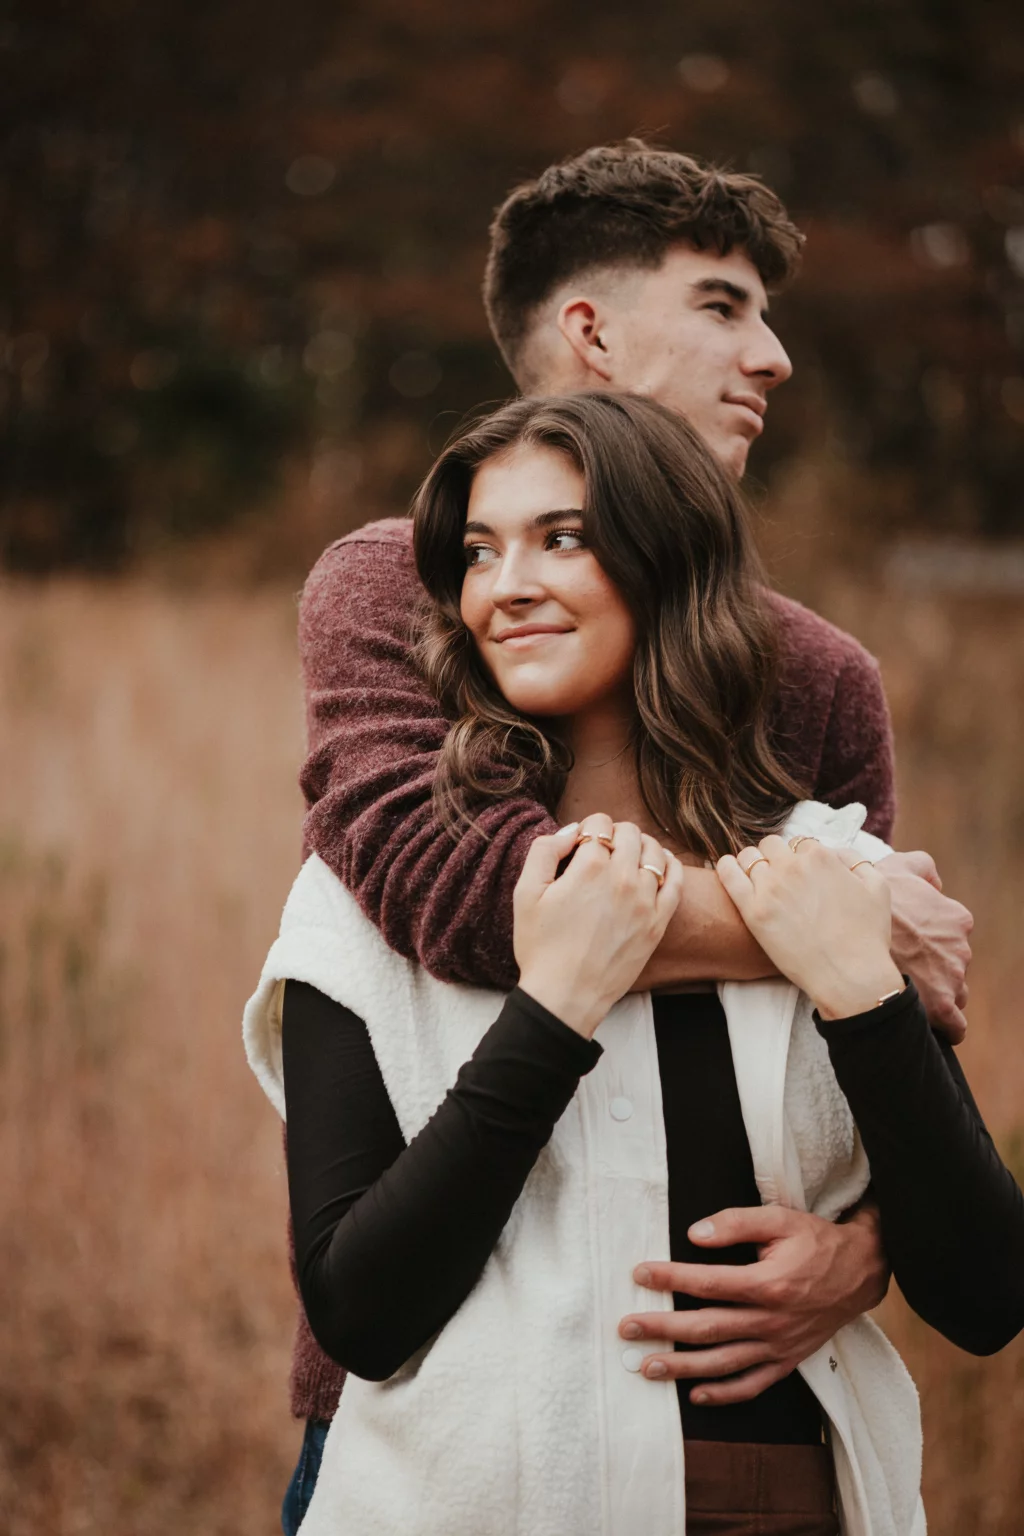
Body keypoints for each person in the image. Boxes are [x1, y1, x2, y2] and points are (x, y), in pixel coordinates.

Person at [283, 143, 974, 1526]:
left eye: (767, 316)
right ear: (593, 333)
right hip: (448, 1405)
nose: (772, 356)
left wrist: (870, 1249)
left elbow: (851, 1081)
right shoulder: (397, 581)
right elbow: (457, 894)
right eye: (724, 306)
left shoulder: (823, 676)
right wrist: (828, 917)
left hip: (746, 1420)